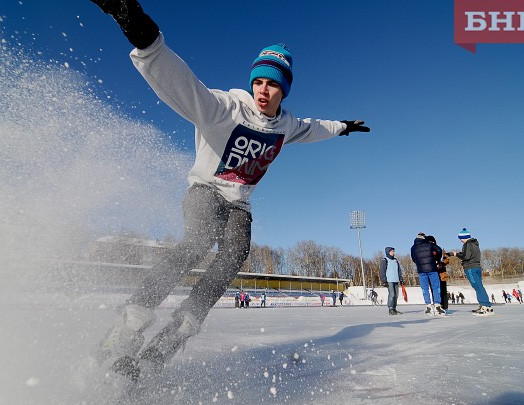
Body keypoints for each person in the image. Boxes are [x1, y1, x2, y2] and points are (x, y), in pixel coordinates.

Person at [88, 0, 371, 379]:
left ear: (284, 90)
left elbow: (312, 126)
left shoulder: (285, 125)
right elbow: (181, 82)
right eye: (258, 81)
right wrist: (135, 24)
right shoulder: (224, 108)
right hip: (205, 190)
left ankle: (175, 334)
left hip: (239, 203)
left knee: (236, 253)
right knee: (196, 244)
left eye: (272, 84)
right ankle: (129, 324)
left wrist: (343, 127)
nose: (263, 90)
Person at [450, 228, 493, 316]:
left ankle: (485, 306)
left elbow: (466, 256)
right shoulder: (475, 244)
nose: (461, 240)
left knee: (477, 287)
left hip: (470, 267)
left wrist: (456, 254)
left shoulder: (467, 244)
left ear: (464, 237)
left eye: (460, 238)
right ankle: (485, 305)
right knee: (479, 286)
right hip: (476, 267)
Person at [411, 233, 446, 315]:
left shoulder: (413, 248)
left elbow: (413, 259)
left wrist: (419, 263)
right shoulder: (429, 244)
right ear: (424, 238)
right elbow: (439, 250)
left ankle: (428, 306)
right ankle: (437, 305)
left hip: (421, 271)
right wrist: (436, 259)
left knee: (424, 289)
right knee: (436, 287)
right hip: (432, 269)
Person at [425, 235, 449, 314]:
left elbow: (446, 259)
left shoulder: (440, 250)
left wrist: (441, 264)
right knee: (434, 290)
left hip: (441, 273)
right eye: (429, 242)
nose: (431, 243)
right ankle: (437, 306)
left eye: (432, 242)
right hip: (432, 273)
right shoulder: (427, 251)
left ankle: (444, 307)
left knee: (443, 291)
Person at [379, 247, 404, 315]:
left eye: (393, 251)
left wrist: (401, 279)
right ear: (388, 252)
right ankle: (390, 309)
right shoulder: (385, 260)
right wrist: (384, 280)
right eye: (392, 251)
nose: (393, 252)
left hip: (396, 280)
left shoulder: (396, 260)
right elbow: (382, 271)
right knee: (392, 294)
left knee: (396, 295)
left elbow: (399, 271)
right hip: (389, 280)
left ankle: (394, 308)